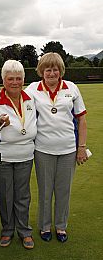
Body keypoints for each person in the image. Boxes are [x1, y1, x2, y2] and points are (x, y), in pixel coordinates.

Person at [26, 52, 88, 242]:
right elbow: (14, 98)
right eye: (47, 69)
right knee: (45, 191)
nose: (51, 73)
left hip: (68, 149)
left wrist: (81, 147)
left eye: (54, 69)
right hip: (43, 149)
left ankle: (61, 227)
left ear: (60, 70)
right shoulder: (32, 89)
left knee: (63, 191)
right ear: (41, 71)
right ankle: (45, 227)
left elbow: (82, 120)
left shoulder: (72, 88)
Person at [0, 60, 37, 249]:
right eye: (10, 78)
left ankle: (24, 231)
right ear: (3, 80)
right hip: (2, 156)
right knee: (5, 196)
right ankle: (7, 230)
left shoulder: (31, 99)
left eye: (18, 78)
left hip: (26, 156)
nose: (15, 82)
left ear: (24, 79)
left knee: (22, 195)